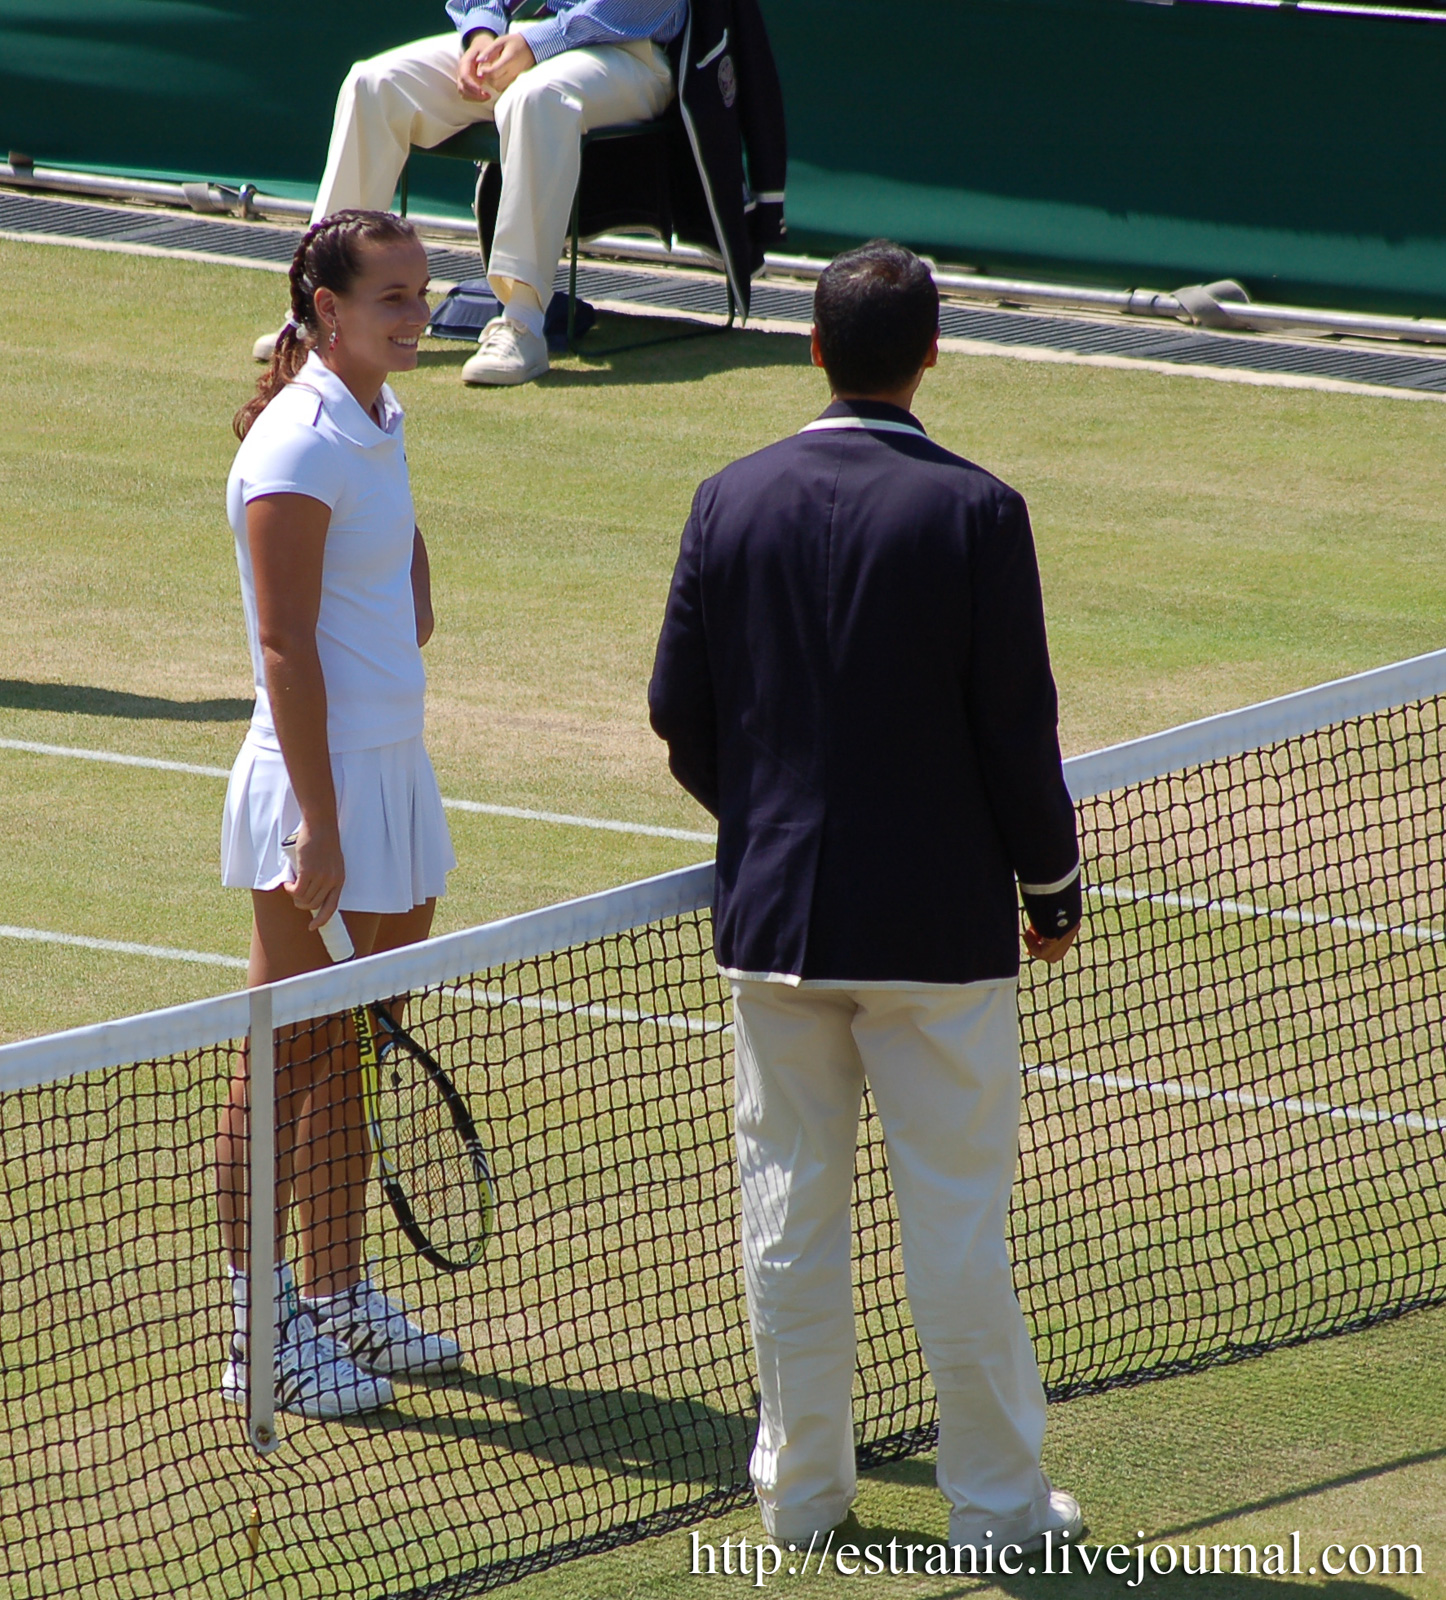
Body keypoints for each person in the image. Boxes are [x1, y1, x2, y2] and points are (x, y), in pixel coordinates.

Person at [648, 240, 1086, 1552]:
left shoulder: (727, 498)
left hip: (776, 926)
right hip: (937, 938)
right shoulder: (977, 511)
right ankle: (997, 1510)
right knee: (954, 1228)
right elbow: (1015, 728)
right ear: (932, 354)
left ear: (814, 347)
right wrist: (1051, 888)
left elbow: (679, 714)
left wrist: (770, 828)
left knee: (787, 1215)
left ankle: (800, 1499)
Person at [217, 210, 461, 1418]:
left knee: (361, 1042)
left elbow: (398, 568)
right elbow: (283, 649)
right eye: (394, 299)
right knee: (289, 1053)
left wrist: (409, 587)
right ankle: (258, 1332)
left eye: (423, 294)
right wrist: (317, 820)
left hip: (391, 767)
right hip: (314, 785)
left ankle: (336, 1291)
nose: (420, 317)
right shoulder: (297, 445)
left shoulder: (377, 413)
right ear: (328, 310)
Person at [253, 0, 687, 387]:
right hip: (517, 37)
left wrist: (539, 43)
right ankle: (322, 312)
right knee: (372, 83)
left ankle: (523, 323)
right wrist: (480, 35)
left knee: (536, 97)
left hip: (629, 50)